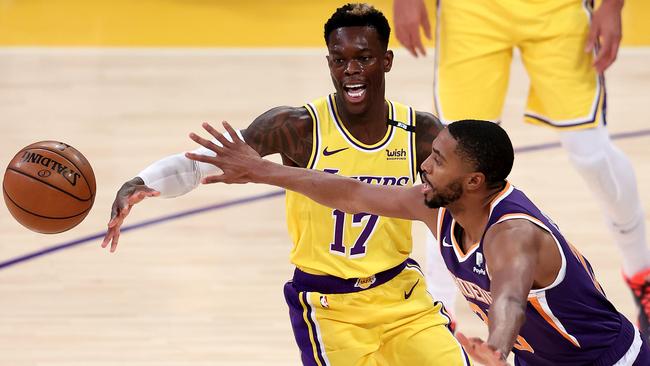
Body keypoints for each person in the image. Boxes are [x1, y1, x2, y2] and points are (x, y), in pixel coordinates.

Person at [101, 4, 471, 365]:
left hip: (401, 296)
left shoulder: (420, 132)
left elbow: (462, 204)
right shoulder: (298, 127)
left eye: (364, 58)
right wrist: (141, 182)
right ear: (328, 62)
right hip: (330, 307)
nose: (351, 71)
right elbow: (206, 163)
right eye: (339, 60)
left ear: (387, 61)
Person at [188, 119, 650, 365]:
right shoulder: (437, 207)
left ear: (473, 180)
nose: (425, 166)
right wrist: (262, 170)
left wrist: (496, 348)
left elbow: (510, 299)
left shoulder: (513, 235)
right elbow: (352, 193)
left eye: (438, 160)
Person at [392, 0, 650, 333]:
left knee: (592, 154)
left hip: (559, 8)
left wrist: (612, 6)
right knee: (453, 162)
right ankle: (440, 313)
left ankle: (641, 272)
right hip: (470, 10)